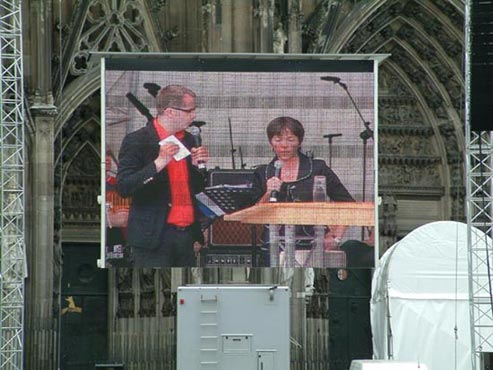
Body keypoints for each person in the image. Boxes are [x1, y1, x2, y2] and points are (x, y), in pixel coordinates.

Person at [116, 84, 209, 267]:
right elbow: (124, 186)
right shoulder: (138, 140)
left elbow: (195, 188)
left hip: (186, 235)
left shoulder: (189, 139)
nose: (194, 115)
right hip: (154, 236)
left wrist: (196, 167)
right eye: (189, 110)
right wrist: (158, 163)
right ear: (170, 112)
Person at [251, 116, 354, 266]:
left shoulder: (317, 168)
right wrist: (268, 192)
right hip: (273, 245)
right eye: (278, 140)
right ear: (271, 143)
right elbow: (254, 213)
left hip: (313, 243)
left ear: (299, 142)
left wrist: (336, 236)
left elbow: (348, 204)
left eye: (290, 139)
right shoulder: (262, 172)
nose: (284, 145)